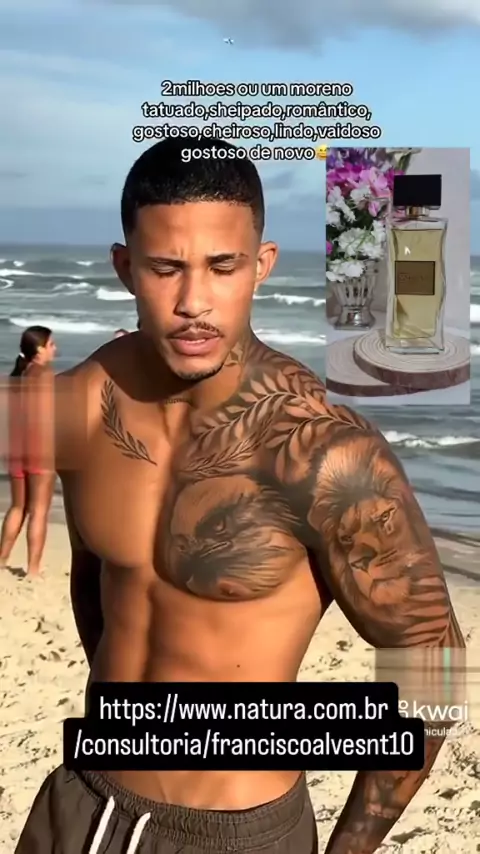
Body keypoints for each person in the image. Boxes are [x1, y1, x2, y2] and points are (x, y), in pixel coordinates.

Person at [15, 138, 464, 853]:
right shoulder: (90, 401)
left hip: (231, 833)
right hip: (79, 802)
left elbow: (431, 661)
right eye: (166, 268)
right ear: (126, 268)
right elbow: (97, 574)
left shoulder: (325, 453)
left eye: (222, 267)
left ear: (262, 265)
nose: (193, 302)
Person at [0, 325, 56, 576]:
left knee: (17, 507)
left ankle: (1, 560)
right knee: (39, 511)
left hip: (16, 446)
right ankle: (33, 570)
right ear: (39, 349)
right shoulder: (45, 374)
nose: (55, 349)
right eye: (51, 344)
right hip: (39, 447)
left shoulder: (18, 375)